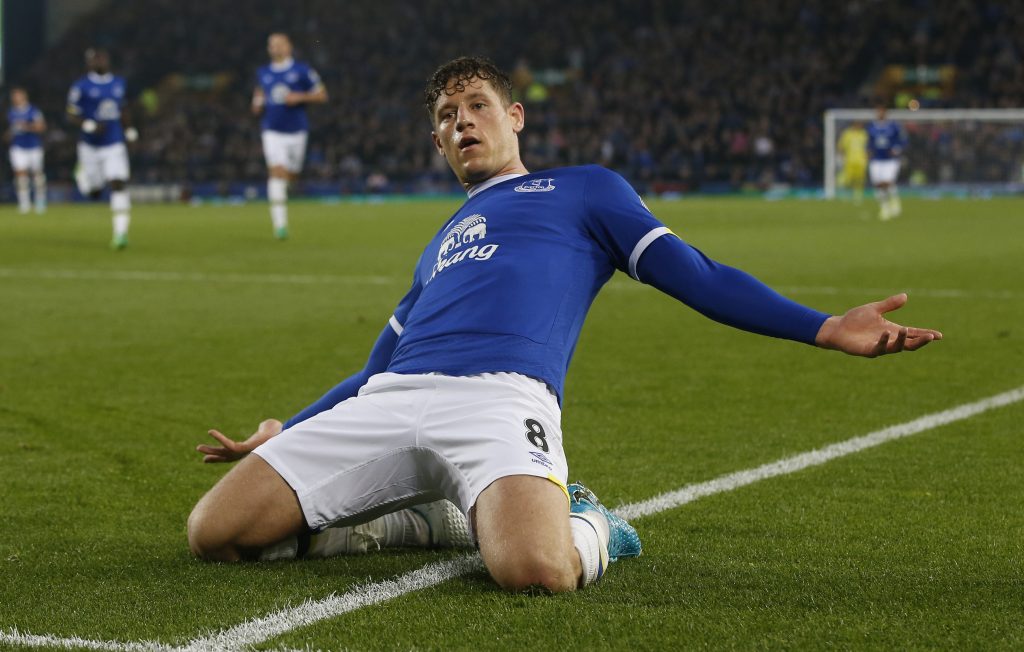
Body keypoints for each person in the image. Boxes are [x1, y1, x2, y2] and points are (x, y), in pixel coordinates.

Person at [188, 57, 943, 593]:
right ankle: (428, 521)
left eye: (476, 105)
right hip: (390, 402)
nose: (461, 123)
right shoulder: (442, 241)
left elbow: (696, 275)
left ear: (513, 116)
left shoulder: (585, 191)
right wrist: (288, 428)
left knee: (537, 572)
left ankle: (593, 524)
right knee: (213, 534)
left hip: (500, 400)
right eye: (447, 118)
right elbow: (373, 369)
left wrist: (822, 326)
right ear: (439, 144)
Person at [252, 33, 327, 240]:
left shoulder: (302, 70)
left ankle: (288, 186)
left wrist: (300, 96)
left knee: (291, 175)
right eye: (272, 45)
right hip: (272, 130)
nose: (275, 48)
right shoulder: (262, 72)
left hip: (297, 131)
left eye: (279, 44)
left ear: (289, 47)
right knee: (277, 172)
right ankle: (280, 226)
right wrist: (257, 103)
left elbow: (322, 94)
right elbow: (259, 94)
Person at [66, 48, 138, 249]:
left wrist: (130, 129)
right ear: (89, 63)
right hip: (90, 146)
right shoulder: (81, 86)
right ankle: (82, 175)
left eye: (103, 58)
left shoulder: (119, 83)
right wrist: (87, 124)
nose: (100, 61)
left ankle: (121, 233)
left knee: (118, 182)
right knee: (94, 192)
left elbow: (123, 109)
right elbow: (71, 113)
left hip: (113, 142)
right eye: (95, 59)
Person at [6, 87, 47, 214]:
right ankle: (24, 204)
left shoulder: (33, 111)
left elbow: (41, 126)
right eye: (14, 96)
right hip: (18, 147)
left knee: (37, 175)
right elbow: (13, 129)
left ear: (24, 96)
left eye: (18, 95)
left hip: (34, 146)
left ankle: (40, 202)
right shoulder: (11, 112)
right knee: (20, 175)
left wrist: (26, 126)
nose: (15, 98)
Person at [866, 105, 906, 221]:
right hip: (876, 160)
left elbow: (903, 140)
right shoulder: (871, 127)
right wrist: (868, 151)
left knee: (887, 182)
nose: (880, 114)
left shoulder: (894, 126)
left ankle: (893, 203)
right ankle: (885, 207)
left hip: (890, 160)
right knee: (878, 185)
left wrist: (896, 149)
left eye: (882, 112)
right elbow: (869, 142)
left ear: (886, 113)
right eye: (878, 112)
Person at [837, 120, 868, 204]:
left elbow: (868, 147)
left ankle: (858, 196)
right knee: (847, 179)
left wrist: (867, 156)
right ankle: (844, 195)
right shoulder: (847, 134)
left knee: (859, 179)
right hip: (849, 160)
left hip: (861, 161)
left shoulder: (863, 134)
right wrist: (840, 157)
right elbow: (841, 146)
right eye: (857, 124)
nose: (859, 125)